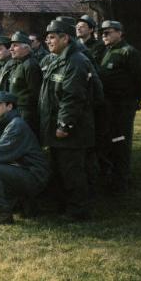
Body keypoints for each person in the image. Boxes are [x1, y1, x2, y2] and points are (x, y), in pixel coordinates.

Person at [39, 20, 95, 221]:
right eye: (47, 37)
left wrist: (64, 124)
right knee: (60, 168)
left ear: (65, 38)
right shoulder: (56, 59)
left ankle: (78, 210)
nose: (48, 40)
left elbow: (73, 97)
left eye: (53, 36)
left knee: (72, 170)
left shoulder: (76, 61)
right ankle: (63, 206)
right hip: (54, 125)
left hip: (72, 129)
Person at [0, 91, 49, 226]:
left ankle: (3, 214)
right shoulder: (6, 123)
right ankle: (11, 205)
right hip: (24, 171)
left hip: (34, 176)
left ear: (9, 107)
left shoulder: (16, 125)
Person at [98, 20, 141, 193]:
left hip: (122, 107)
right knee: (109, 140)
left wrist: (133, 101)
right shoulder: (107, 52)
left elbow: (140, 83)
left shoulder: (129, 52)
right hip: (109, 107)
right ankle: (111, 177)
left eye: (108, 32)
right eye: (102, 33)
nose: (104, 35)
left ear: (120, 33)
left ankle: (121, 182)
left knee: (121, 141)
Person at [8, 31, 42, 134]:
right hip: (17, 112)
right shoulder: (19, 64)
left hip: (27, 115)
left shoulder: (30, 65)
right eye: (11, 46)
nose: (11, 49)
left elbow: (35, 93)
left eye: (15, 45)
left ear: (26, 48)